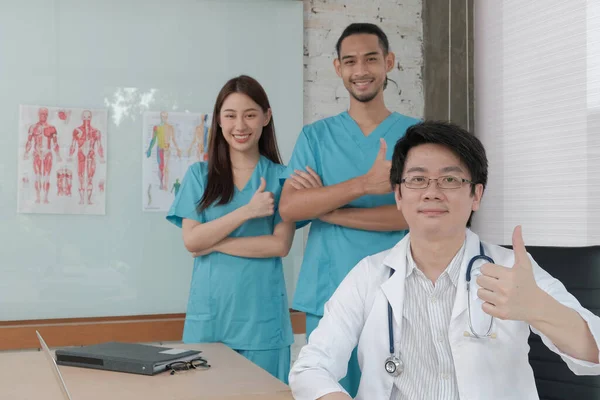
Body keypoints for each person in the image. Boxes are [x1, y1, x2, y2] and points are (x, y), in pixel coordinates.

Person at [289, 121, 600, 399]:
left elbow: (594, 353)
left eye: (450, 181)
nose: (432, 192)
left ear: (476, 195)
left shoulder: (512, 270)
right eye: (417, 180)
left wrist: (539, 308)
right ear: (398, 195)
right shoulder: (369, 274)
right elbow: (310, 367)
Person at [278, 22, 419, 396]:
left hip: (401, 290)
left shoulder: (417, 137)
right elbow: (291, 207)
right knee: (327, 388)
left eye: (371, 59)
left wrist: (328, 207)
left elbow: (413, 214)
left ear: (388, 62)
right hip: (329, 287)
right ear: (338, 68)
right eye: (351, 61)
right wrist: (365, 186)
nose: (361, 70)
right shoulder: (316, 136)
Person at [166, 75, 300, 383]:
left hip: (263, 325)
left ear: (266, 117)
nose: (240, 125)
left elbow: (279, 246)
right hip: (209, 322)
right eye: (230, 115)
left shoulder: (283, 178)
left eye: (250, 114)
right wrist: (247, 212)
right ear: (219, 120)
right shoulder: (200, 176)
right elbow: (191, 240)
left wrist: (212, 243)